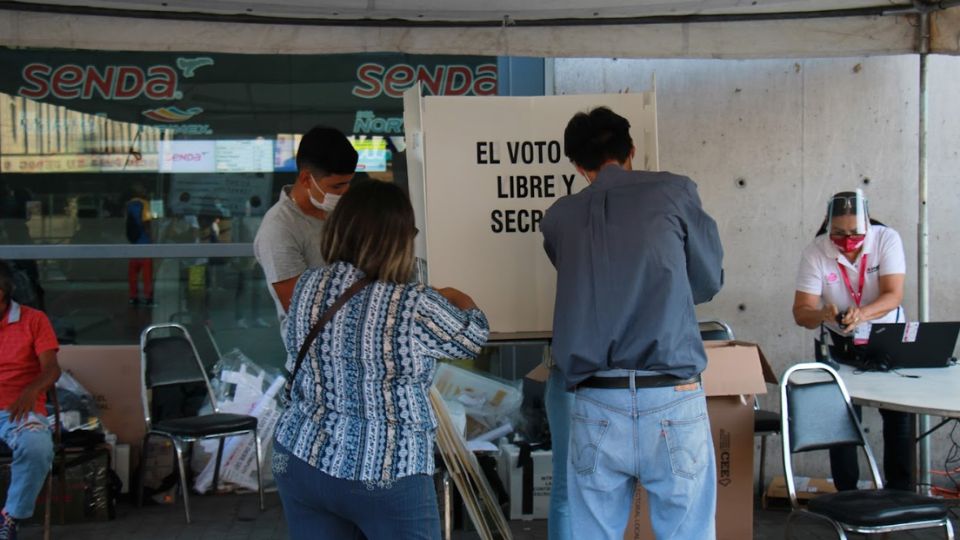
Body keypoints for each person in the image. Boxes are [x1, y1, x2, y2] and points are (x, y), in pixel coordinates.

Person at [541, 106, 723, 540]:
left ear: (578, 166)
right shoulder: (675, 193)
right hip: (672, 395)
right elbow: (707, 281)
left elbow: (581, 283)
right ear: (632, 150)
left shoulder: (559, 217)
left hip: (597, 398)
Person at [272, 180, 489, 540]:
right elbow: (472, 338)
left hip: (302, 456)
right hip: (385, 469)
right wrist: (459, 296)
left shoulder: (308, 285)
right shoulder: (415, 303)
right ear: (400, 238)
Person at [792, 189, 912, 491]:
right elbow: (801, 312)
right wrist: (823, 315)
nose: (847, 241)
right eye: (838, 233)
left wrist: (863, 313)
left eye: (855, 233)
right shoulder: (815, 251)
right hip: (840, 343)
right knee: (841, 422)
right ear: (827, 227)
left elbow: (893, 294)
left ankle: (901, 494)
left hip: (888, 336)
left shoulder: (887, 239)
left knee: (899, 420)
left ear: (868, 225)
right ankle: (846, 495)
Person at [253, 126, 359, 330]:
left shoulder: (338, 211)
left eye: (348, 184)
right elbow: (299, 308)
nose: (345, 192)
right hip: (317, 350)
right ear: (305, 179)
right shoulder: (279, 229)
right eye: (336, 186)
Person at [0, 260, 61, 539]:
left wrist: (31, 390)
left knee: (36, 447)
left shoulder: (33, 320)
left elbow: (51, 369)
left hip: (19, 409)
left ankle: (11, 516)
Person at [125, 183, 155, 307]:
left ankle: (133, 296)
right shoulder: (145, 204)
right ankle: (148, 297)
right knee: (146, 273)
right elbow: (146, 222)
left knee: (133, 273)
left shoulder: (128, 205)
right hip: (144, 243)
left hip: (134, 243)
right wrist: (152, 238)